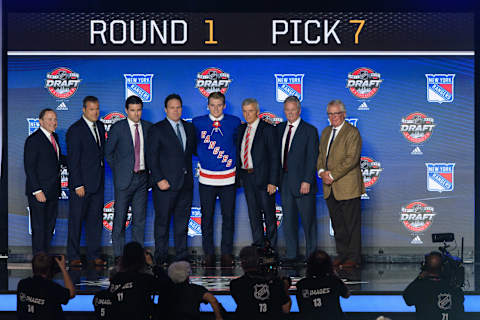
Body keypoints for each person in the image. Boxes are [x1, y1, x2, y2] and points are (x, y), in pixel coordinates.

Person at [146, 94, 196, 265]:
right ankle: (161, 256)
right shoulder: (157, 129)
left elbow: (192, 153)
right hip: (165, 185)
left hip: (186, 184)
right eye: (172, 107)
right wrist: (159, 179)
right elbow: (151, 157)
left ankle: (181, 255)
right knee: (162, 223)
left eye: (178, 107)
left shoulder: (189, 128)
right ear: (166, 109)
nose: (176, 110)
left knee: (182, 223)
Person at [192, 92, 241, 267]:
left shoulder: (235, 122)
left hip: (228, 178)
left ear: (224, 105)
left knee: (228, 218)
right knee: (207, 218)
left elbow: (238, 146)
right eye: (212, 105)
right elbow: (193, 146)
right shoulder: (197, 122)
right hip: (206, 178)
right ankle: (209, 253)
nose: (216, 108)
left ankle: (227, 253)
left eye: (219, 105)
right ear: (207, 105)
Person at [317, 99, 364, 269]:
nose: (333, 117)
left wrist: (333, 175)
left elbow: (351, 159)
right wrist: (321, 172)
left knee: (351, 224)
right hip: (329, 187)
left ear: (343, 114)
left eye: (336, 113)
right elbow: (321, 155)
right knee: (338, 224)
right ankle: (342, 254)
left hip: (347, 187)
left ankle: (354, 257)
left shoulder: (352, 132)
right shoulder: (325, 132)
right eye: (330, 114)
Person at [105, 95, 152, 262]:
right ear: (126, 111)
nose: (136, 114)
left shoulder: (148, 127)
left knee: (139, 221)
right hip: (124, 180)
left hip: (142, 179)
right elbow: (108, 153)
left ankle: (137, 258)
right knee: (120, 219)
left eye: (139, 110)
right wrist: (119, 171)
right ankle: (119, 256)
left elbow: (152, 154)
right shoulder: (118, 128)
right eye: (132, 110)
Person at [277, 96, 319, 265]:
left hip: (303, 182)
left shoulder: (310, 130)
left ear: (299, 110)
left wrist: (307, 180)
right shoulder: (279, 128)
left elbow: (312, 157)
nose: (290, 113)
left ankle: (312, 256)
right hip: (284, 180)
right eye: (287, 110)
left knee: (308, 221)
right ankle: (292, 254)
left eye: (293, 110)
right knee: (288, 220)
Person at [66, 96, 106, 268]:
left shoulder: (100, 126)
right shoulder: (75, 130)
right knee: (76, 222)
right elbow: (73, 161)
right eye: (91, 109)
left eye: (97, 108)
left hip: (97, 183)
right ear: (84, 110)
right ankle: (73, 256)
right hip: (81, 185)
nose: (95, 112)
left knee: (95, 222)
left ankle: (94, 255)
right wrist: (77, 184)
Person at [236, 98, 280, 249]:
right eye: (245, 111)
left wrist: (273, 181)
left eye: (251, 111)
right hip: (247, 177)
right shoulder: (241, 130)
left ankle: (272, 248)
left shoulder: (268, 129)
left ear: (258, 112)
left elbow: (275, 157)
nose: (247, 115)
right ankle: (259, 246)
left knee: (269, 215)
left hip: (264, 178)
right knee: (253, 215)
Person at [24, 108, 64, 255]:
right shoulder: (33, 140)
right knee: (39, 227)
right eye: (49, 119)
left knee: (49, 227)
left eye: (55, 119)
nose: (53, 122)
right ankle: (39, 260)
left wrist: (77, 161)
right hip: (39, 192)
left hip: (53, 191)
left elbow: (57, 160)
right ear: (40, 121)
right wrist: (37, 190)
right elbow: (30, 167)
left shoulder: (55, 138)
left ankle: (45, 258)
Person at [108, 241, 173, 320]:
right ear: (142, 258)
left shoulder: (116, 278)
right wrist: (153, 265)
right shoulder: (145, 279)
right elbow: (168, 285)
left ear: (124, 258)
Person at [230, 246, 291, 319]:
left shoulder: (235, 285)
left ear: (242, 264)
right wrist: (285, 286)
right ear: (259, 262)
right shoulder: (276, 283)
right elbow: (286, 309)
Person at [403, 252, 465, 320]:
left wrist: (419, 278)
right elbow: (460, 308)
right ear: (442, 267)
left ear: (425, 267)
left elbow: (408, 299)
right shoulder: (452, 287)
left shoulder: (419, 287)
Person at [17, 253, 75, 320]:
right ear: (49, 270)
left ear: (33, 267)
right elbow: (71, 293)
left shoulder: (22, 284)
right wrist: (63, 269)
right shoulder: (52, 288)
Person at [296, 250, 350, 320]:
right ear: (329, 265)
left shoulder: (301, 284)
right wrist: (335, 276)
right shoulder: (334, 281)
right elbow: (346, 295)